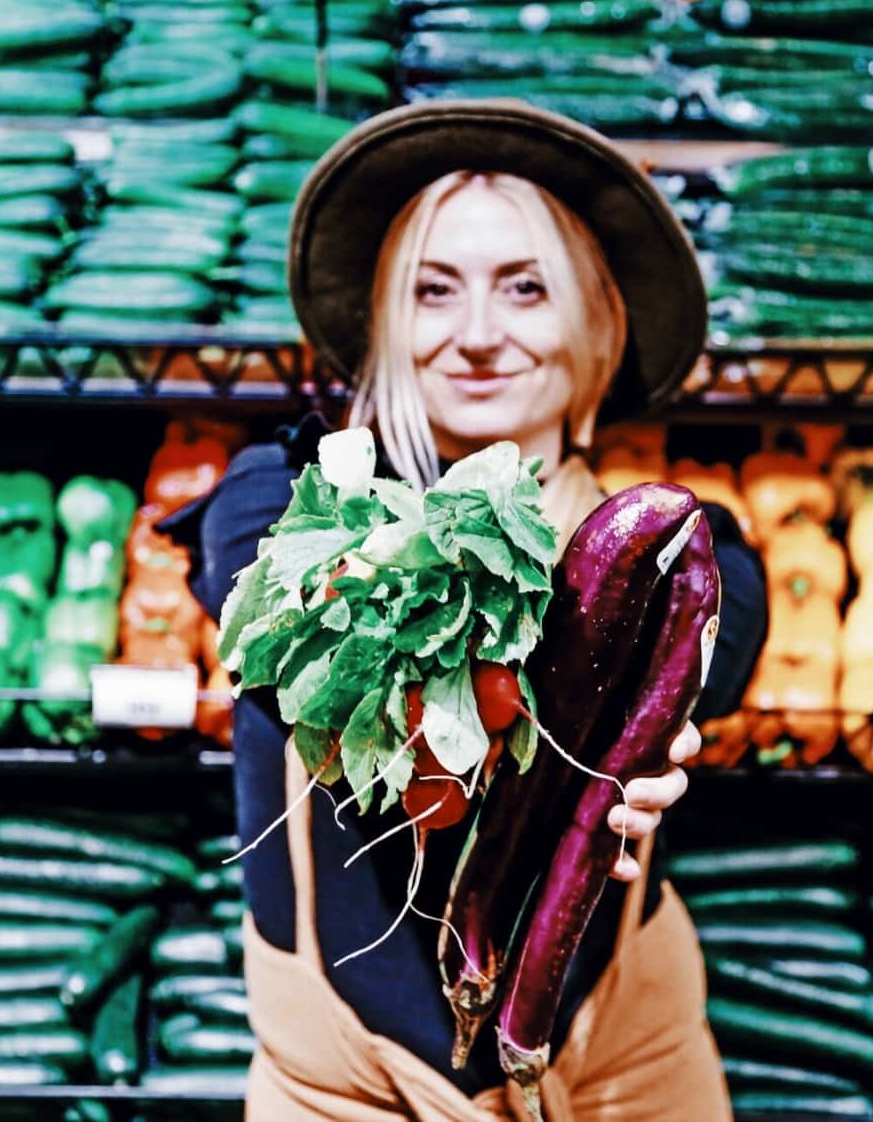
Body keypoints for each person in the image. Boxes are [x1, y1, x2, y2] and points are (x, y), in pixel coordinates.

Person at [163, 101, 767, 1121]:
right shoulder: (278, 498)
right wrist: (578, 712)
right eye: (433, 291)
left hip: (627, 1084)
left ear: (594, 321)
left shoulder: (681, 550)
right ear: (385, 323)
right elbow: (283, 620)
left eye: (525, 290)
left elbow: (732, 629)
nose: (478, 335)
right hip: (341, 1093)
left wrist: (659, 710)